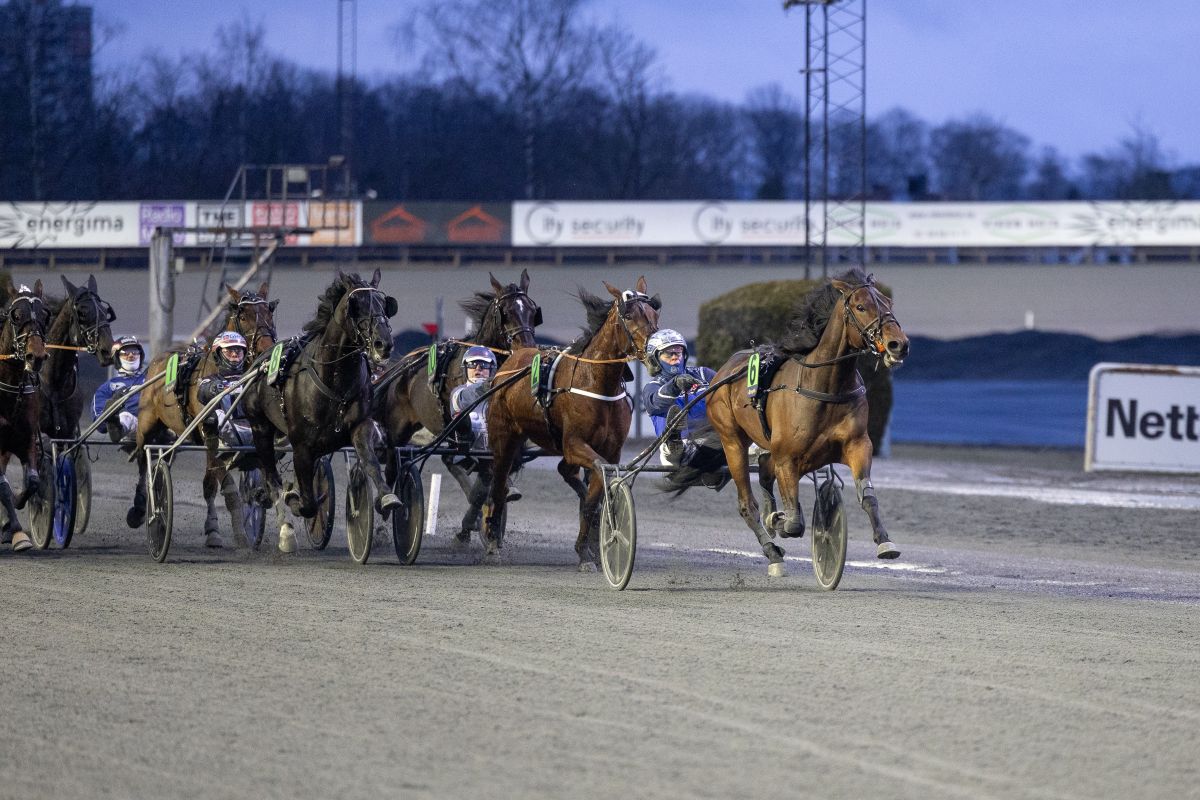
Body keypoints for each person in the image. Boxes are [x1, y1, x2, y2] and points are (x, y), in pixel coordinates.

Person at [449, 345, 521, 501]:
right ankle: (505, 481)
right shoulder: (458, 392)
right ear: (465, 369)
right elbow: (470, 395)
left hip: (495, 446)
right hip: (468, 449)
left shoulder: (500, 394)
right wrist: (491, 384)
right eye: (472, 364)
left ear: (492, 369)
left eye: (484, 365)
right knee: (465, 420)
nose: (478, 368)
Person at [641, 329, 717, 467]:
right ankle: (673, 442)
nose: (675, 357)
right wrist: (674, 385)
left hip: (713, 440)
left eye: (678, 352)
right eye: (668, 354)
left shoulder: (704, 374)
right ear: (655, 359)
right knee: (674, 447)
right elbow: (656, 404)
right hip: (680, 448)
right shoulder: (652, 387)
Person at [197, 331, 251, 450]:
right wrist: (213, 388)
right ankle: (213, 446)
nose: (234, 355)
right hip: (225, 433)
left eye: (238, 351)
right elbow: (202, 393)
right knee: (211, 414)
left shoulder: (251, 378)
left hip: (254, 428)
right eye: (229, 351)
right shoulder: (210, 380)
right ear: (218, 355)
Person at [91, 335, 147, 446]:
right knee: (125, 416)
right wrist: (111, 413)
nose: (131, 355)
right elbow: (99, 423)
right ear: (117, 357)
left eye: (135, 352)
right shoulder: (108, 386)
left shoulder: (151, 378)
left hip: (156, 418)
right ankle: (116, 427)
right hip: (133, 425)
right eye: (126, 352)